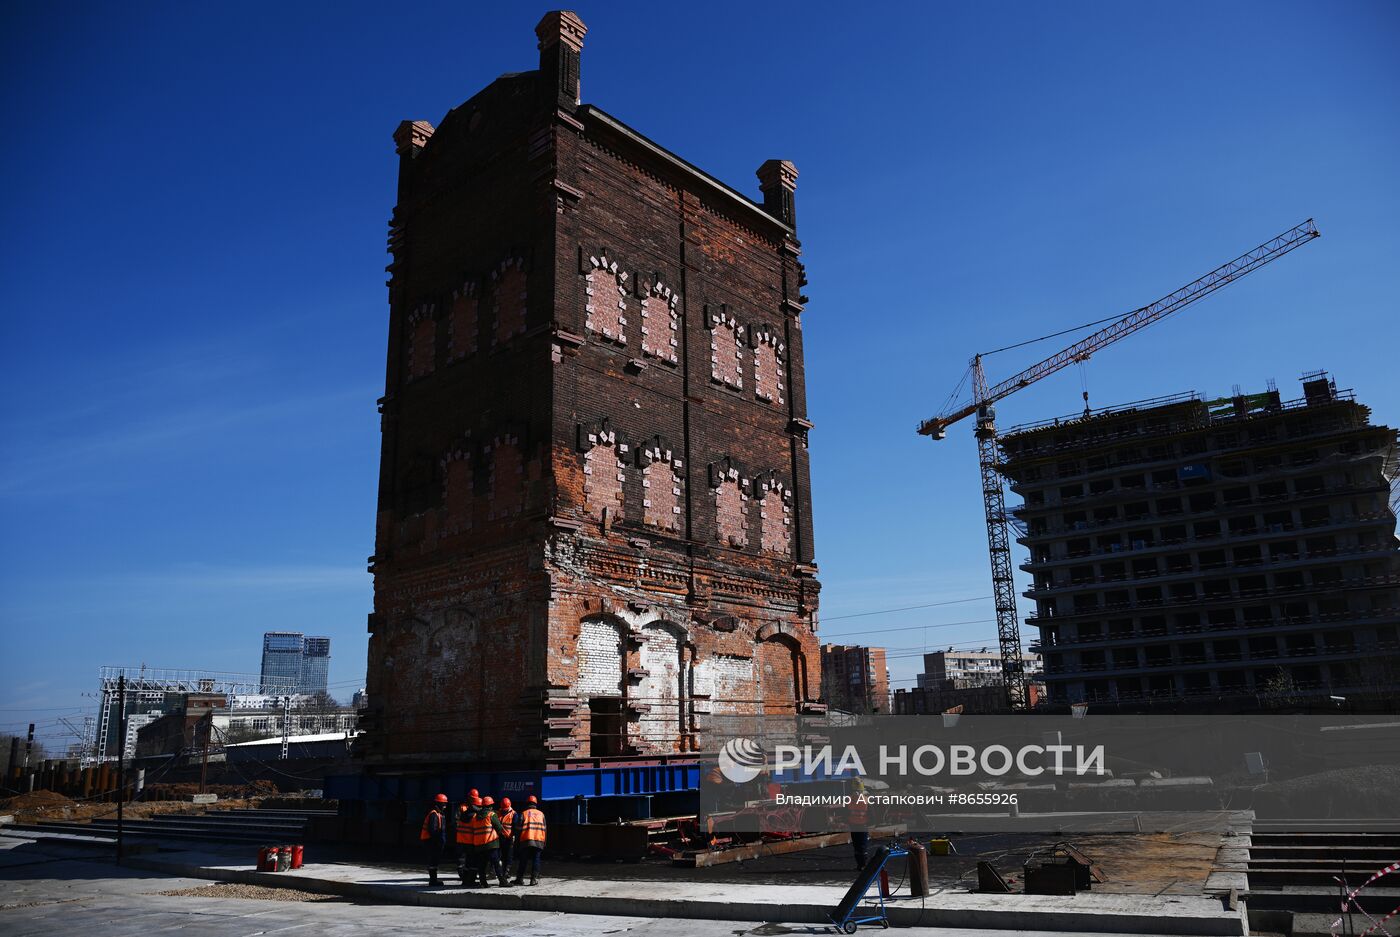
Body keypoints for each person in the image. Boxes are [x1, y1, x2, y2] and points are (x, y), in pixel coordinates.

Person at [469, 796, 508, 887]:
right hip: (491, 844)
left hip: (479, 845)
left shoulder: (475, 817)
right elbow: (499, 828)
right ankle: (502, 881)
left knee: (482, 865)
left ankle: (483, 883)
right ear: (490, 806)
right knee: (496, 863)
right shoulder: (491, 815)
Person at [512, 794, 547, 885]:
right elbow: (545, 829)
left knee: (523, 860)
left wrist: (517, 842)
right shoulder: (541, 814)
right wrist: (544, 842)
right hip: (539, 840)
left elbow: (518, 829)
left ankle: (519, 879)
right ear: (535, 804)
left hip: (526, 840)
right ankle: (533, 879)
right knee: (536, 859)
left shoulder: (524, 813)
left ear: (527, 804)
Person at [420, 793, 448, 887]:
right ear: (438, 804)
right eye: (443, 804)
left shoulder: (437, 813)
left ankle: (433, 880)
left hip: (431, 840)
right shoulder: (434, 814)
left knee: (434, 860)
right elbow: (433, 830)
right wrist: (437, 842)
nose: (445, 806)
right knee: (433, 860)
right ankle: (433, 881)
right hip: (430, 841)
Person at [455, 794, 482, 885]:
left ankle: (465, 880)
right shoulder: (475, 816)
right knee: (473, 863)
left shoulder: (463, 814)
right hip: (471, 842)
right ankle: (471, 881)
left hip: (461, 841)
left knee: (466, 863)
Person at [847, 778, 870, 870]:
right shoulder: (865, 799)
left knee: (859, 846)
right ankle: (861, 865)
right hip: (860, 826)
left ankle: (862, 865)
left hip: (857, 826)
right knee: (859, 846)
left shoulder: (851, 799)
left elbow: (846, 811)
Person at [496, 797, 517, 878]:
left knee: (508, 856)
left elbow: (515, 827)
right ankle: (499, 872)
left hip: (509, 838)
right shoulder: (498, 813)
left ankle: (506, 872)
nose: (504, 810)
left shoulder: (514, 814)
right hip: (499, 838)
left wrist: (513, 836)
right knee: (499, 856)